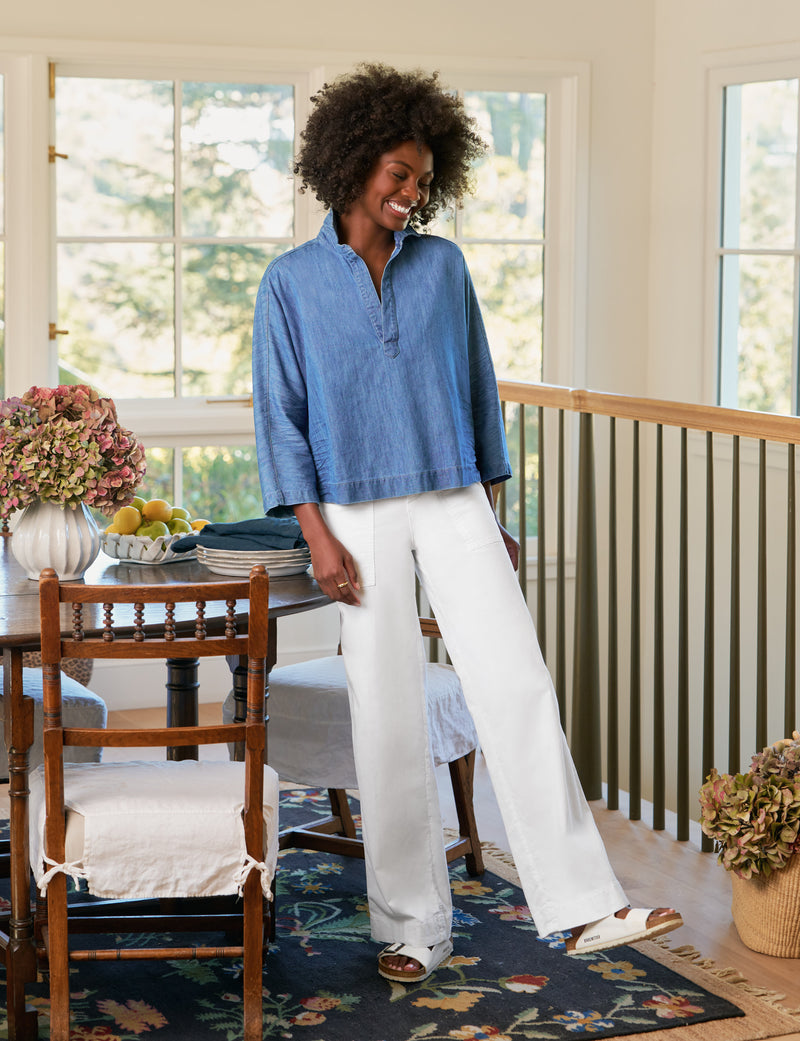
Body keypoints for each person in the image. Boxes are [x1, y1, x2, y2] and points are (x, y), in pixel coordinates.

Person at [252, 62, 682, 983]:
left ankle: (587, 903)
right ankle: (413, 926)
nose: (411, 193)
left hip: (453, 494)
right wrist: (317, 534)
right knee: (387, 714)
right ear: (355, 162)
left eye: (422, 178)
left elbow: (478, 390)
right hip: (354, 515)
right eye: (398, 174)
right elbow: (280, 416)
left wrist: (494, 506)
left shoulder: (443, 267)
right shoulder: (288, 284)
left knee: (517, 681)